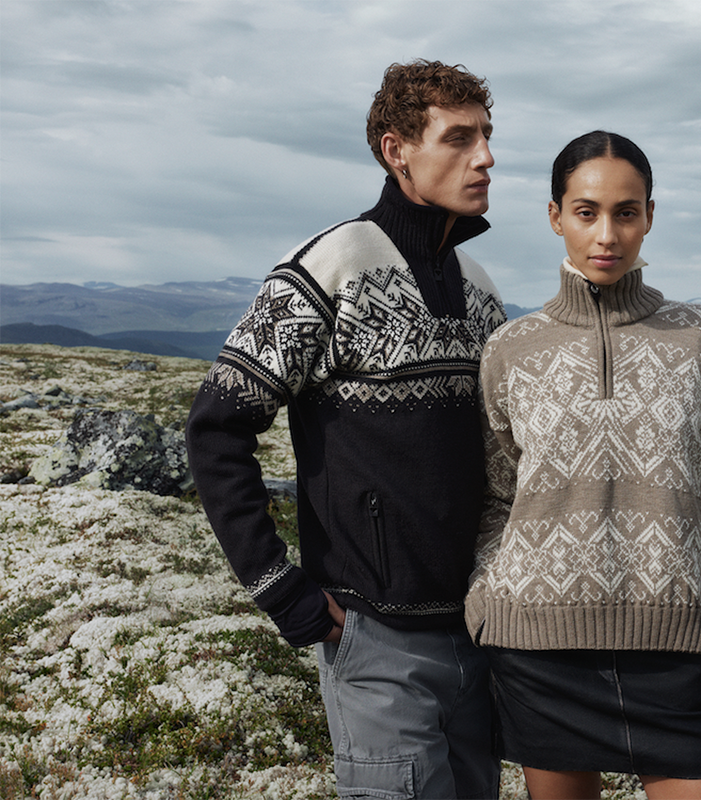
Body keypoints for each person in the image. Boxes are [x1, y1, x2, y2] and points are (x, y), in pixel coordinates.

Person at [186, 59, 505, 800]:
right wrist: (280, 589)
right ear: (398, 151)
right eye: (459, 138)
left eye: (487, 136)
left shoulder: (482, 289)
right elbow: (216, 427)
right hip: (374, 643)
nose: (485, 157)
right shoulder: (328, 268)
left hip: (479, 637)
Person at [465, 131, 701, 800]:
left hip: (677, 652)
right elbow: (495, 496)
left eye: (625, 213)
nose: (607, 234)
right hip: (538, 650)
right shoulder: (509, 349)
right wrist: (486, 601)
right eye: (586, 212)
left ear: (649, 217)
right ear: (555, 217)